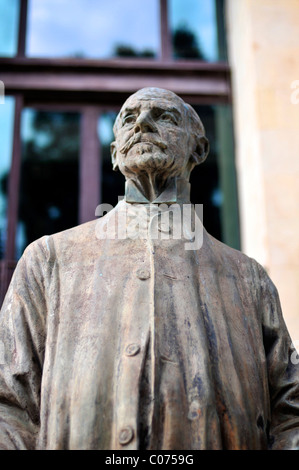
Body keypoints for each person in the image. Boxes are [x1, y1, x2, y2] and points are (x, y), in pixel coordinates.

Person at [0, 87, 298, 450]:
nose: (142, 123)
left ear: (199, 150)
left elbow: (291, 415)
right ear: (114, 154)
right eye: (128, 118)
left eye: (164, 117)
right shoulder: (49, 259)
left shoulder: (248, 279)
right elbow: (8, 408)